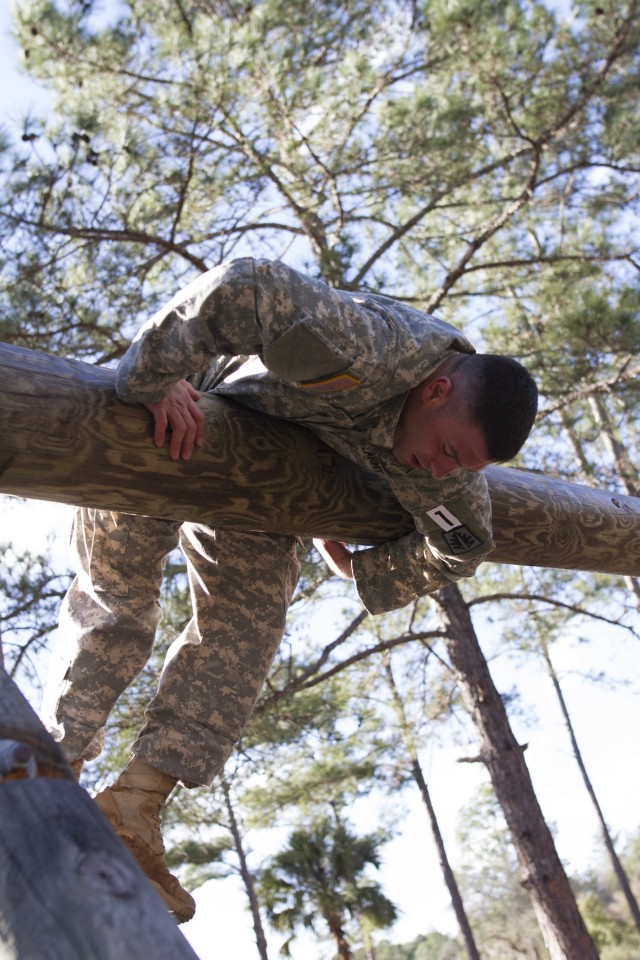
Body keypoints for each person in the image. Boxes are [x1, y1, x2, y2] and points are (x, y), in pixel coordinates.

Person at [42, 257, 537, 923]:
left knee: (245, 636)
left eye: (462, 466)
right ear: (437, 391)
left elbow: (462, 544)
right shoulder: (365, 348)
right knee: (120, 601)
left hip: (264, 478)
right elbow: (244, 285)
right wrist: (153, 380)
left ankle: (134, 809)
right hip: (181, 416)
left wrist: (365, 573)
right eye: (448, 451)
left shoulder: (447, 470)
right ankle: (45, 775)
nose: (444, 471)